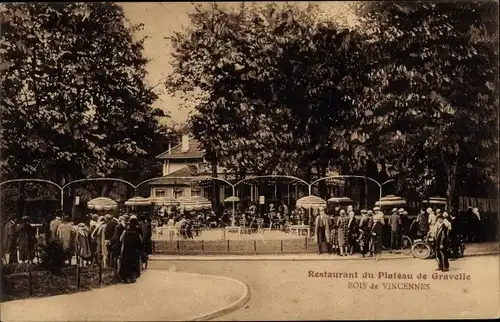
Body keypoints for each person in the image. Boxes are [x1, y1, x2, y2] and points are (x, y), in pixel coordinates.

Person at [119, 219, 143, 283]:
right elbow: (140, 241)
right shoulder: (138, 231)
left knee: (126, 264)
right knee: (133, 263)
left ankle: (126, 278)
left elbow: (121, 239)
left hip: (126, 250)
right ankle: (132, 277)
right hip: (134, 251)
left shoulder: (126, 232)